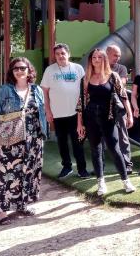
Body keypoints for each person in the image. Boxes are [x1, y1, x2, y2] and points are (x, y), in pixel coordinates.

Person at [0, 57, 47, 225]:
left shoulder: (37, 90)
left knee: (28, 172)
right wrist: (3, 134)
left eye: (23, 68)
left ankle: (23, 204)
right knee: (6, 174)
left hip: (33, 140)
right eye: (16, 68)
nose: (20, 71)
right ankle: (2, 211)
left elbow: (41, 113)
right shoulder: (4, 90)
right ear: (11, 72)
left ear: (29, 70)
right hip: (10, 140)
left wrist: (42, 134)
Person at [76, 49, 135, 196]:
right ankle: (101, 182)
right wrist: (79, 123)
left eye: (99, 57)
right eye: (94, 57)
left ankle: (126, 181)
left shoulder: (113, 76)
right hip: (90, 118)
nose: (96, 60)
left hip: (108, 118)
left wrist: (129, 115)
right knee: (96, 151)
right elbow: (80, 102)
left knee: (115, 149)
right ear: (91, 60)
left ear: (104, 59)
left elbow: (123, 96)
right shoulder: (86, 78)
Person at [40, 43, 88, 179]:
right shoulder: (50, 70)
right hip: (57, 114)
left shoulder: (78, 68)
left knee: (77, 142)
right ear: (54, 56)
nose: (60, 56)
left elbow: (84, 90)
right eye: (57, 54)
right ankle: (67, 167)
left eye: (63, 53)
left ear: (68, 54)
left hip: (76, 114)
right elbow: (45, 91)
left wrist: (83, 111)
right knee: (62, 143)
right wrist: (47, 111)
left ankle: (82, 169)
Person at [106, 44, 133, 174]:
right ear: (107, 54)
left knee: (123, 136)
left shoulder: (121, 68)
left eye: (119, 56)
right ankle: (101, 165)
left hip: (118, 108)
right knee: (102, 137)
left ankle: (127, 163)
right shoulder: (98, 67)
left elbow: (120, 84)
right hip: (102, 107)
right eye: (115, 55)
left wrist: (129, 113)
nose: (117, 58)